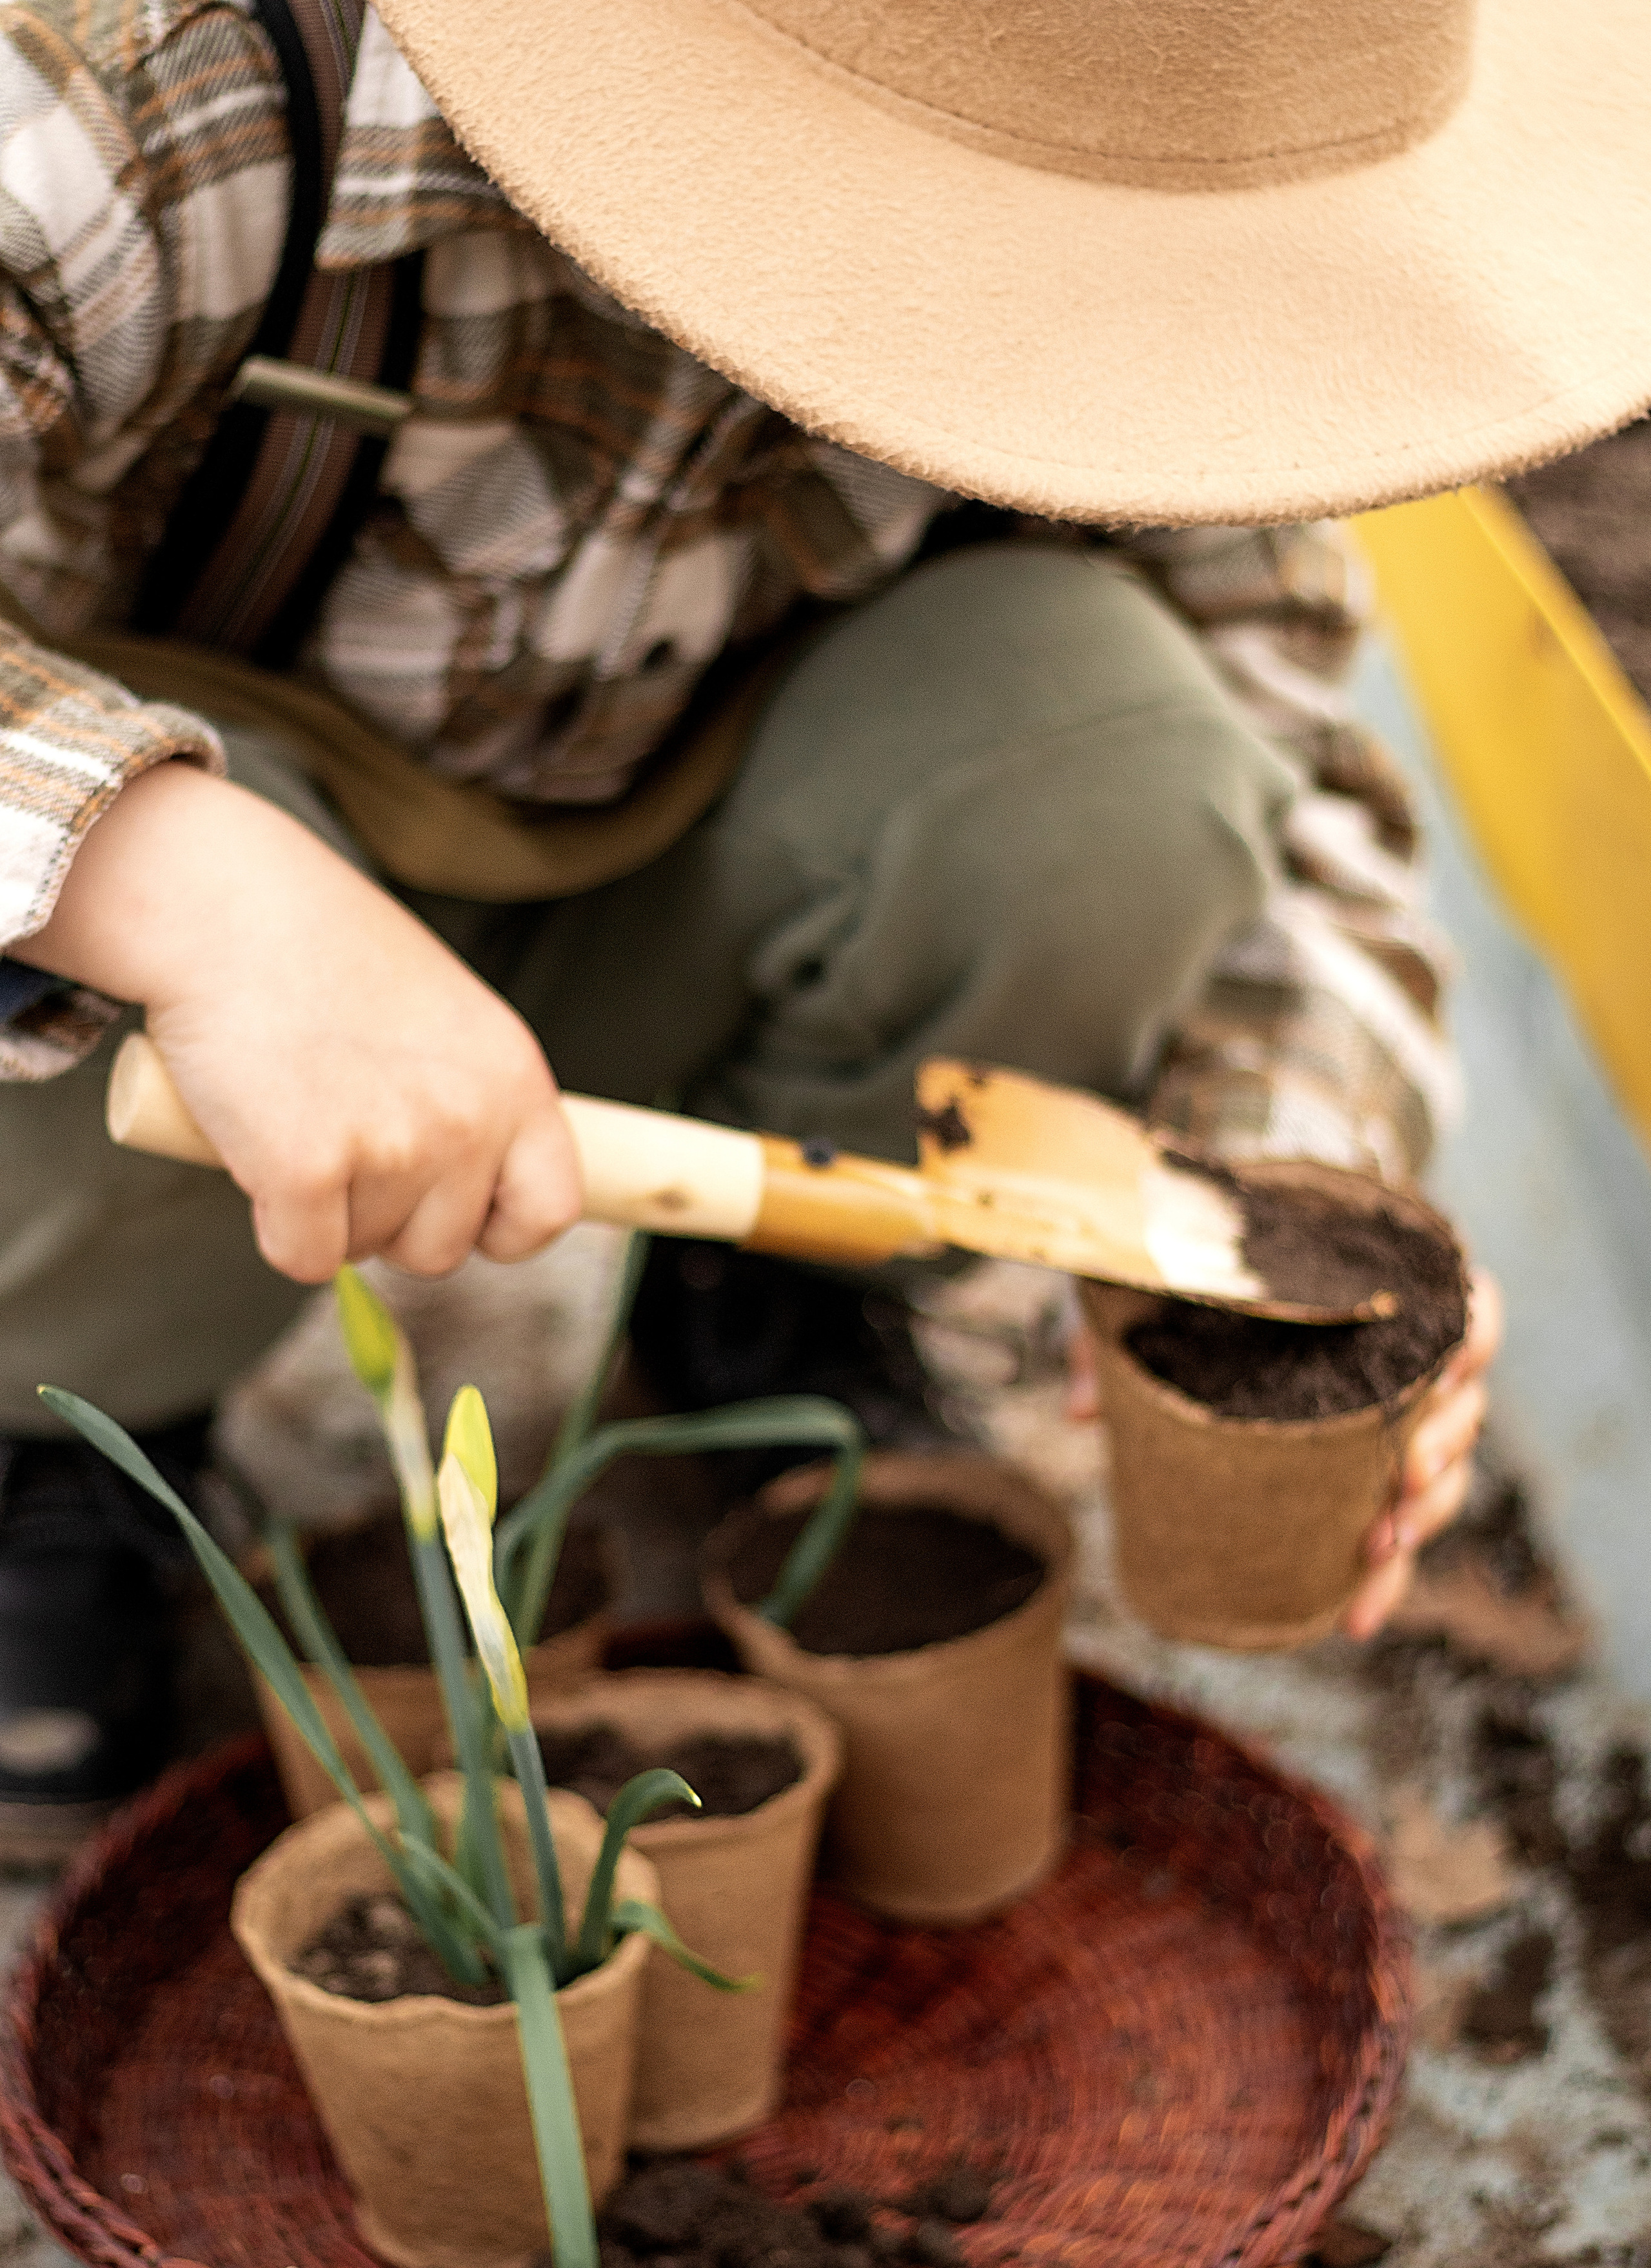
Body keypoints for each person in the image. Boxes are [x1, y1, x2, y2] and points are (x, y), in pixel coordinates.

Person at [4, 0, 1639, 1859]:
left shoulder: (1173, 259)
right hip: (154, 1012)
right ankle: (62, 1432)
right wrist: (182, 884)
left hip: (699, 866)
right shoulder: (164, 79)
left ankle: (782, 1303)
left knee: (1114, 750)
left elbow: (1280, 741)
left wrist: (1272, 1207)